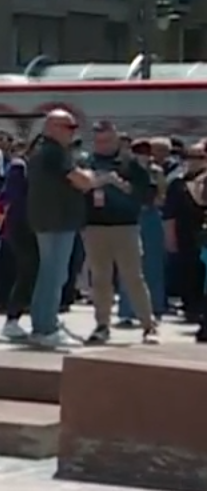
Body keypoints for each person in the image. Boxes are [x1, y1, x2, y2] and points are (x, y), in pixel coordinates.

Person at [7, 109, 92, 349]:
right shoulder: (54, 152)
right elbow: (82, 181)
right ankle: (45, 327)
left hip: (52, 221)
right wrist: (93, 177)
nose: (73, 132)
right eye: (69, 127)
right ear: (52, 127)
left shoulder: (44, 151)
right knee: (52, 275)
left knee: (53, 274)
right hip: (56, 222)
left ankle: (46, 322)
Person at [81, 120, 158, 345]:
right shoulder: (88, 161)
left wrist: (123, 186)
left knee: (133, 276)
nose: (103, 145)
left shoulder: (130, 163)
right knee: (100, 279)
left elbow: (147, 193)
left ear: (116, 139)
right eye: (98, 141)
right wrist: (95, 182)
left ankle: (148, 324)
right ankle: (102, 325)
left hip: (126, 226)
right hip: (95, 226)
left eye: (107, 140)